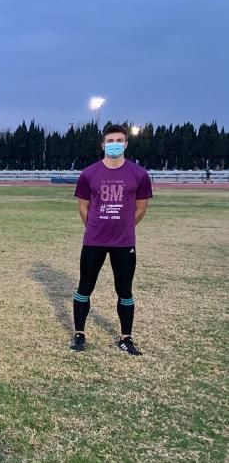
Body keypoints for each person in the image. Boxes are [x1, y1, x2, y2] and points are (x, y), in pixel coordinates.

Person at [71, 124, 152, 355]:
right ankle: (79, 334)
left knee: (124, 290)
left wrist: (124, 227)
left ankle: (126, 338)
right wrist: (96, 228)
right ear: (103, 144)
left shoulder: (139, 174)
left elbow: (141, 208)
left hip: (124, 242)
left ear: (126, 144)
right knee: (85, 286)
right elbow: (83, 206)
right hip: (94, 241)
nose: (114, 144)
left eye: (119, 140)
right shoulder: (89, 174)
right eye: (110, 140)